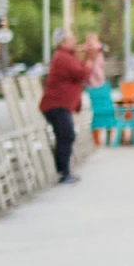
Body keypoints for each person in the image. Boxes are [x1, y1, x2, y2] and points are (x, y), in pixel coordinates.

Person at [37, 29, 98, 184]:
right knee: (66, 135)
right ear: (63, 42)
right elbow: (81, 74)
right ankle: (63, 172)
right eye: (71, 39)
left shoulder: (66, 56)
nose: (75, 41)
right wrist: (90, 59)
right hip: (57, 104)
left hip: (60, 104)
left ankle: (64, 171)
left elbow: (78, 72)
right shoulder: (63, 57)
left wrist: (87, 56)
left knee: (65, 136)